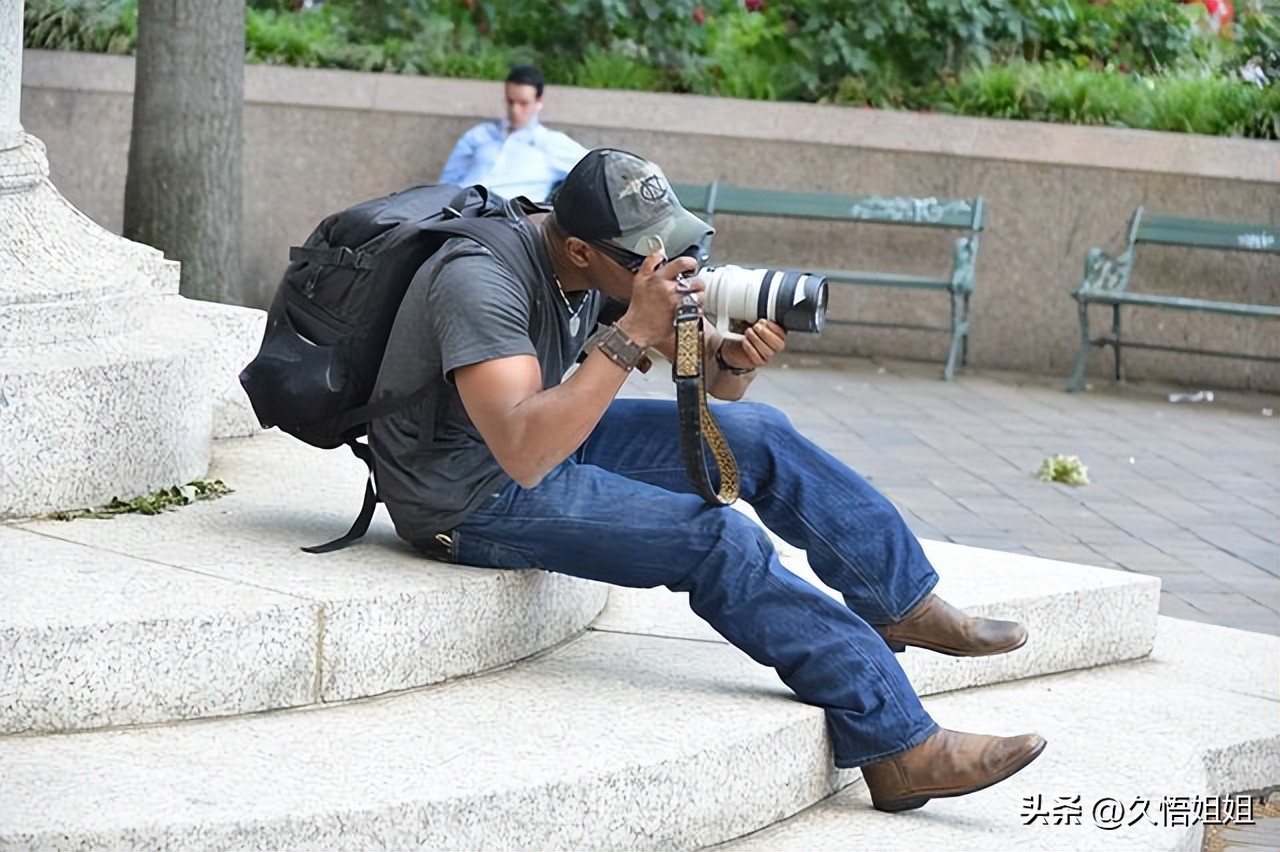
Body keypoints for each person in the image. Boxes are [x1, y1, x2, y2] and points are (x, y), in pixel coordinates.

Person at [369, 147, 1046, 813]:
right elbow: (522, 450)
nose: (660, 267)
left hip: (547, 438)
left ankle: (903, 602)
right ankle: (900, 750)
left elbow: (717, 385)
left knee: (761, 437)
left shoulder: (599, 262)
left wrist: (733, 353)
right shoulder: (479, 279)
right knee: (718, 540)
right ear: (579, 251)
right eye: (643, 259)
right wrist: (636, 323)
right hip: (466, 492)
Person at [437, 64, 588, 203]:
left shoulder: (550, 142)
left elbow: (598, 168)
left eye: (523, 103)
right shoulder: (480, 135)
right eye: (510, 102)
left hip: (505, 218)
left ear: (538, 101)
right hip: (458, 211)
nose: (515, 110)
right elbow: (446, 184)